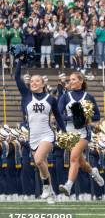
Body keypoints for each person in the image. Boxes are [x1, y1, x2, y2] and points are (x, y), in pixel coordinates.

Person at [14, 57, 65, 199]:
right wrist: (19, 60)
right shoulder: (26, 95)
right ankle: (51, 191)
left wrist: (64, 131)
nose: (33, 83)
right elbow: (17, 76)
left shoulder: (50, 99)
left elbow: (59, 117)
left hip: (47, 135)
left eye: (37, 81)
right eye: (31, 81)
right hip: (33, 137)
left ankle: (46, 187)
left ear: (43, 84)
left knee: (38, 160)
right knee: (41, 163)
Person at [57, 72, 105, 196]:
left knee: (73, 158)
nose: (71, 81)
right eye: (70, 79)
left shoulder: (88, 97)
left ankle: (68, 186)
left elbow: (97, 116)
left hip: (84, 133)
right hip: (69, 134)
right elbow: (58, 114)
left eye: (73, 79)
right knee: (81, 162)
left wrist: (86, 118)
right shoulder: (65, 97)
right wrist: (73, 118)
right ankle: (93, 172)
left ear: (81, 81)